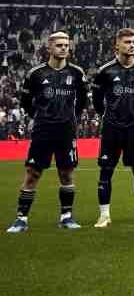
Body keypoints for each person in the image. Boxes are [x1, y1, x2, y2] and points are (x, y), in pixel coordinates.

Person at [8, 32, 88, 232]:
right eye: (59, 45)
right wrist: (41, 116)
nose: (63, 48)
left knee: (66, 174)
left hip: (66, 132)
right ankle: (21, 219)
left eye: (66, 45)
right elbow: (26, 102)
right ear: (49, 48)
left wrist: (71, 118)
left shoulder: (77, 73)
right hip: (42, 131)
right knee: (32, 173)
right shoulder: (36, 74)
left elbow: (83, 102)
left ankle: (66, 217)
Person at [91, 27, 134, 227]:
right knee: (106, 171)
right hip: (111, 128)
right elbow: (97, 101)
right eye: (127, 42)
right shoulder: (106, 71)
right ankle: (104, 215)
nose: (132, 45)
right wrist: (108, 116)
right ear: (116, 45)